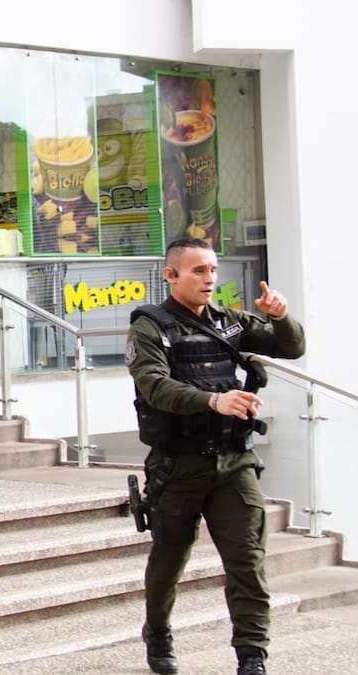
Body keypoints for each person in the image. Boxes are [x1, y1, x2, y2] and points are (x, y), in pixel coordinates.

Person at [127, 237, 306, 675]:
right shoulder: (150, 327)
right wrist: (214, 401)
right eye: (198, 271)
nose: (210, 279)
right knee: (170, 557)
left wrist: (281, 318)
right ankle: (159, 631)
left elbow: (292, 347)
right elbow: (154, 385)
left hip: (233, 462)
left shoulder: (228, 321)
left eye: (212, 269)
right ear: (171, 275)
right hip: (178, 464)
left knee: (247, 562)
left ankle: (252, 658)